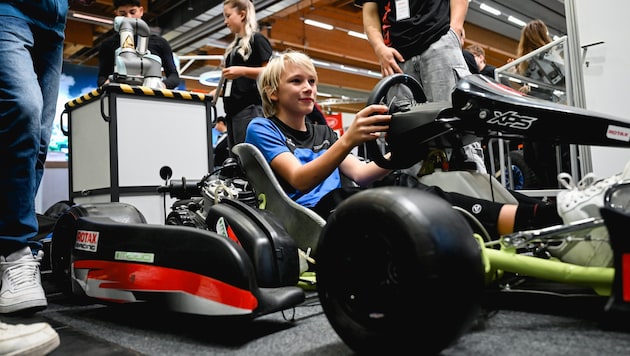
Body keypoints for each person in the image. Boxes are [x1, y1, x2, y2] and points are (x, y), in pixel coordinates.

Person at [245, 51, 563, 240]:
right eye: (297, 81)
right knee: (397, 199)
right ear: (273, 92)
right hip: (312, 217)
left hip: (343, 200)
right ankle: (528, 218)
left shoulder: (321, 131)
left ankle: (537, 212)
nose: (308, 89)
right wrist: (348, 139)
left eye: (312, 81)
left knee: (415, 186)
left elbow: (360, 173)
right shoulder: (262, 127)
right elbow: (300, 179)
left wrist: (399, 155)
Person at [355, 0, 487, 174]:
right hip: (398, 58)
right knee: (407, 141)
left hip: (438, 42)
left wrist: (455, 28)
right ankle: (417, 197)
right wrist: (380, 48)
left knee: (458, 129)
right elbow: (370, 9)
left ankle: (475, 198)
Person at [0, 0, 65, 353]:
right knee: (22, 110)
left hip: (53, 21)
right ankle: (14, 249)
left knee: (39, 140)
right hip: (9, 8)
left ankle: (16, 252)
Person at [214, 0, 273, 154]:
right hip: (232, 112)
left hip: (250, 109)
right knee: (236, 161)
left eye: (228, 16)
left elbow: (270, 72)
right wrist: (216, 91)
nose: (225, 22)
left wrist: (242, 71)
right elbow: (232, 82)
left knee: (248, 160)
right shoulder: (233, 47)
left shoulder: (257, 40)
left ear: (242, 14)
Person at [97, 0, 181, 89]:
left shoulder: (159, 43)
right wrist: (108, 84)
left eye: (132, 12)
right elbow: (102, 77)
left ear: (141, 11)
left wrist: (159, 86)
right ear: (116, 14)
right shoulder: (108, 45)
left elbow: (173, 76)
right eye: (123, 14)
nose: (128, 17)